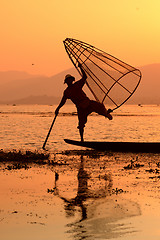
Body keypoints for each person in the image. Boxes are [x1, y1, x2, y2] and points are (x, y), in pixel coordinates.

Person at [55, 63, 113, 142]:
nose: (69, 81)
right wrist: (57, 109)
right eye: (68, 80)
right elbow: (63, 101)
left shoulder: (77, 85)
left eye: (70, 80)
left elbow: (85, 77)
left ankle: (107, 114)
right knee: (81, 124)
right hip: (81, 108)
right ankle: (82, 139)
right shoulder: (67, 92)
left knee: (100, 106)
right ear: (66, 82)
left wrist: (81, 68)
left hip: (88, 103)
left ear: (72, 80)